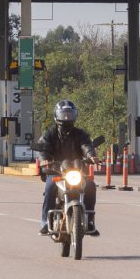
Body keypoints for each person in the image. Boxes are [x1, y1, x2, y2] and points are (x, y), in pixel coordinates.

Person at [37, 100, 100, 236]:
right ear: (56, 116)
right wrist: (44, 159)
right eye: (64, 114)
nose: (66, 117)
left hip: (77, 170)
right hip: (56, 170)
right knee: (49, 188)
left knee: (90, 186)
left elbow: (86, 145)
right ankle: (45, 222)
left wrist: (91, 155)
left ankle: (89, 220)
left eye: (69, 114)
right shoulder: (50, 134)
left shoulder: (80, 133)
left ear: (74, 115)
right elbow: (43, 147)